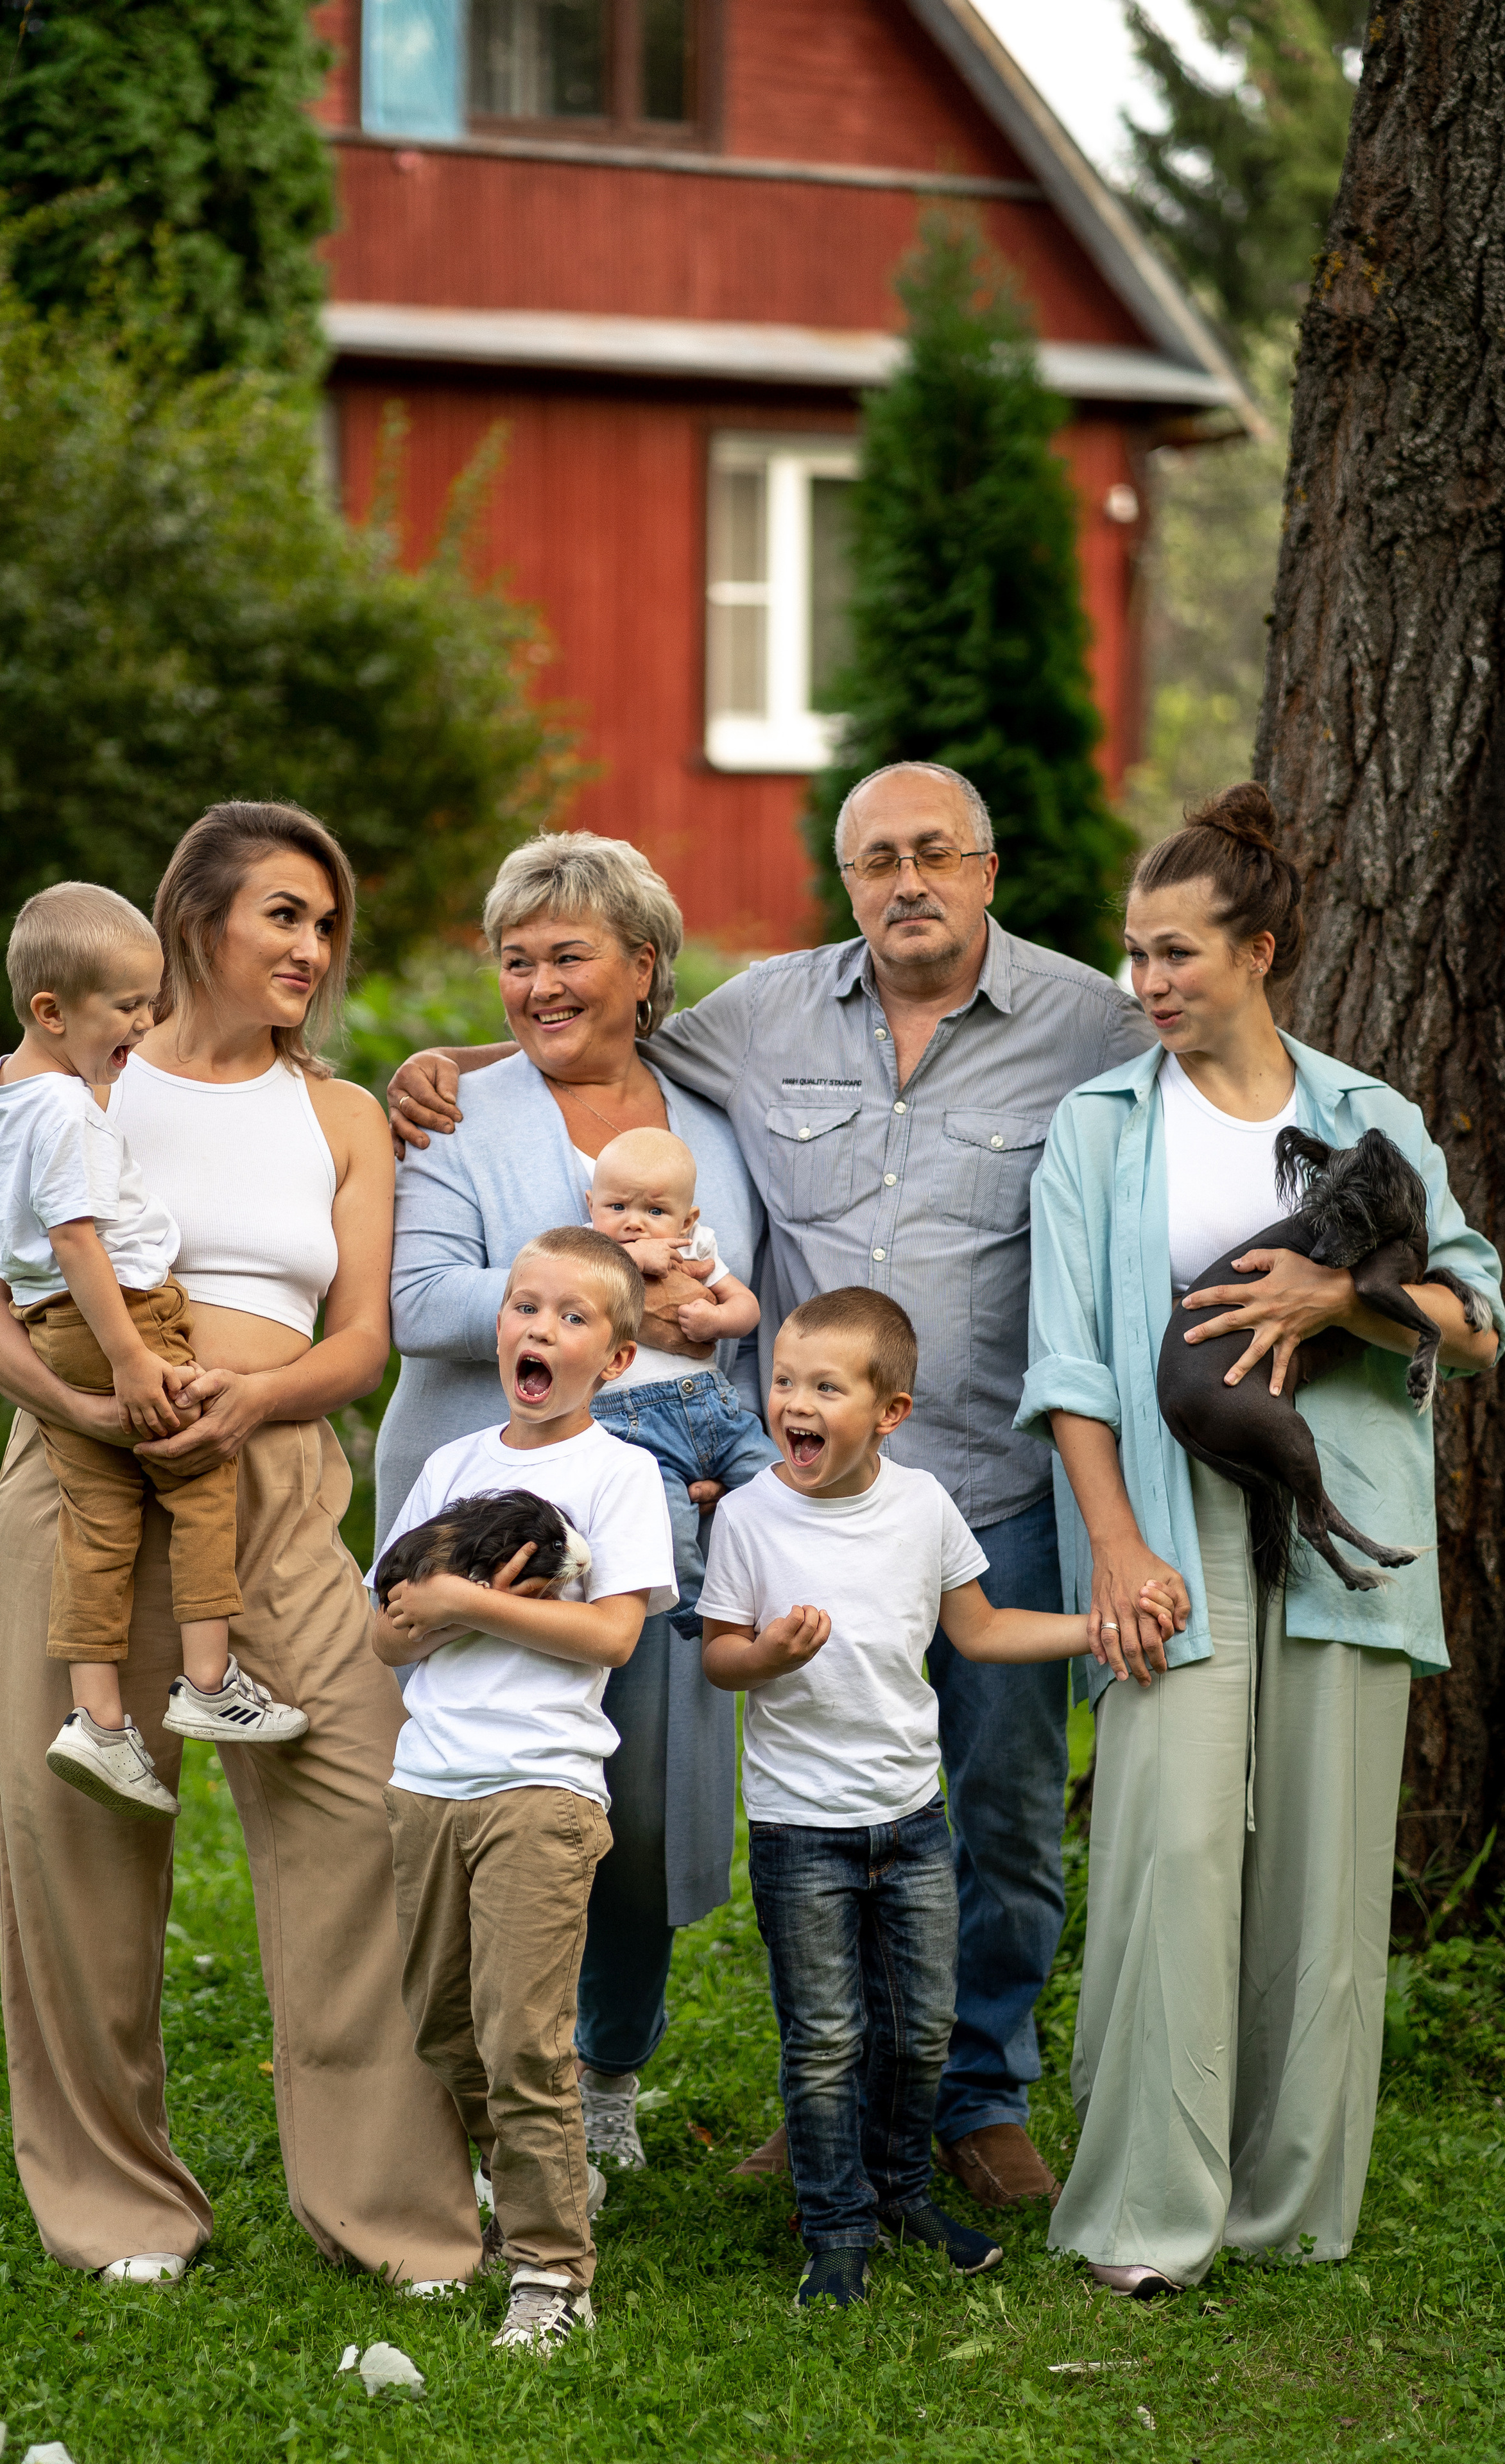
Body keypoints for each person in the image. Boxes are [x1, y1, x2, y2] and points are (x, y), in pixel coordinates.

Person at [388, 762, 1155, 2208]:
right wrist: (429, 1064)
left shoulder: (1087, 1023)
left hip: (988, 1487)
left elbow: (1207, 1117)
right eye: (875, 860)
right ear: (844, 878)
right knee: (811, 1817)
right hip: (800, 1506)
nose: (905, 882)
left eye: (935, 854)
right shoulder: (760, 1020)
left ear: (988, 868)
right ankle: (834, 2086)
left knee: (994, 1813)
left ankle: (975, 2100)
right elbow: (570, 1041)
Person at [0, 801, 481, 2287]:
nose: (313, 945)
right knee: (79, 1839)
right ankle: (117, 2205)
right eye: (284, 916)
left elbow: (362, 1339)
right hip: (80, 1483)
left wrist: (245, 1397)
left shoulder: (343, 1115)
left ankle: (390, 2204)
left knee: (362, 1806)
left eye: (327, 921)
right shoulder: (74, 1090)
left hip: (279, 1488)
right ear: (194, 917)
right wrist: (92, 1404)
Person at [1014, 783, 1505, 2295]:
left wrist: (1337, 1299)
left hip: (1337, 1503)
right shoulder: (1099, 1127)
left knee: (1320, 1860)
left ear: (1257, 950)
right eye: (1130, 956)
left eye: (1174, 953)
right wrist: (1108, 1548)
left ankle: (1288, 2207)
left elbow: (1475, 1320)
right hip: (1159, 1510)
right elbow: (1070, 1364)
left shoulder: (1366, 1117)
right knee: (1165, 1845)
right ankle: (1146, 2216)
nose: (1147, 983)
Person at [374, 831, 766, 2173]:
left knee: (643, 1816)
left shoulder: (707, 1125)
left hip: (660, 1517)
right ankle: (476, 2101)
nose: (536, 984)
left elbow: (734, 1299)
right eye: (514, 959)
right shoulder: (452, 1119)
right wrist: (592, 1303)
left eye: (567, 955)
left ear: (642, 967)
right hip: (489, 1512)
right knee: (491, 1799)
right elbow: (417, 1304)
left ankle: (604, 2072)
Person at [700, 1287, 1174, 2307]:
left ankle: (901, 2191)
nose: (794, 1402)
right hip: (801, 1831)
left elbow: (983, 1632)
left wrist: (1099, 1632)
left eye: (826, 1386)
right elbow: (719, 1659)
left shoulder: (923, 1508)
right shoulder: (747, 1516)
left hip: (912, 1823)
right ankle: (833, 2226)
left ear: (891, 1413)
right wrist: (764, 1653)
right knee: (826, 2038)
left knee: (920, 2031)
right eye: (784, 1381)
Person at [372, 1226, 676, 2354]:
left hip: (542, 1790)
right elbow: (385, 1636)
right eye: (523, 1307)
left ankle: (550, 2272)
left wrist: (467, 1601)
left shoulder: (618, 1473)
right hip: (427, 1785)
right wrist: (431, 1605)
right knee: (446, 2028)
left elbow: (612, 1630)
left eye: (572, 1317)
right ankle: (533, 2177)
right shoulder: (450, 1467)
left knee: (524, 2036)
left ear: (619, 1358)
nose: (538, 1329)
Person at [0, 883, 306, 1820]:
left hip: (46, 1326)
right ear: (51, 1011)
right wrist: (134, 1360)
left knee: (98, 1524)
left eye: (152, 1004)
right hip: (116, 1313)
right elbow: (76, 1239)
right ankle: (208, 1680)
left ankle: (99, 1721)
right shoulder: (65, 1109)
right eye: (127, 1008)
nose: (145, 1026)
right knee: (198, 1484)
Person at [583, 1125, 775, 1639]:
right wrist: (628, 1261)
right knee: (668, 1528)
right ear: (591, 1204)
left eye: (655, 1212)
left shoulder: (698, 1246)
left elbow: (746, 1307)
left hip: (716, 1412)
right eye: (617, 1208)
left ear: (687, 1219)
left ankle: (797, 1581)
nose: (635, 1225)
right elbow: (573, 1301)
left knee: (777, 1486)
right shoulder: (585, 1254)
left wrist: (717, 1323)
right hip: (634, 1431)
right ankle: (700, 1616)